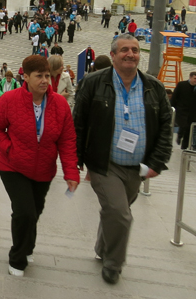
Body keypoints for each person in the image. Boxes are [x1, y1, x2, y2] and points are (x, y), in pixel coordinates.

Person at [73, 34, 172, 285]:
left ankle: (101, 246)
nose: (131, 54)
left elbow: (164, 128)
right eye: (125, 50)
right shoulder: (93, 83)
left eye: (136, 50)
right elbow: (79, 122)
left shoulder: (154, 87)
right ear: (114, 55)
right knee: (120, 214)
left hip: (137, 168)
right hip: (104, 164)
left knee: (116, 211)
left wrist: (157, 162)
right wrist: (76, 160)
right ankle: (113, 264)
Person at [0, 55, 79, 277]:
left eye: (47, 76)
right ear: (26, 77)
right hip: (13, 166)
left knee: (35, 211)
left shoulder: (59, 104)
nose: (45, 81)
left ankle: (27, 246)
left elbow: (67, 140)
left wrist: (71, 172)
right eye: (39, 76)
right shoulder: (9, 100)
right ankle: (17, 258)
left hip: (44, 169)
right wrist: (8, 148)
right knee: (24, 211)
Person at [171, 71, 196, 149]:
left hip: (193, 112)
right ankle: (180, 135)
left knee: (189, 129)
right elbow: (175, 96)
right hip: (181, 110)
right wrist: (173, 107)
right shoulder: (182, 85)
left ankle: (184, 145)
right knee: (183, 125)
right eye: (195, 78)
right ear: (190, 78)